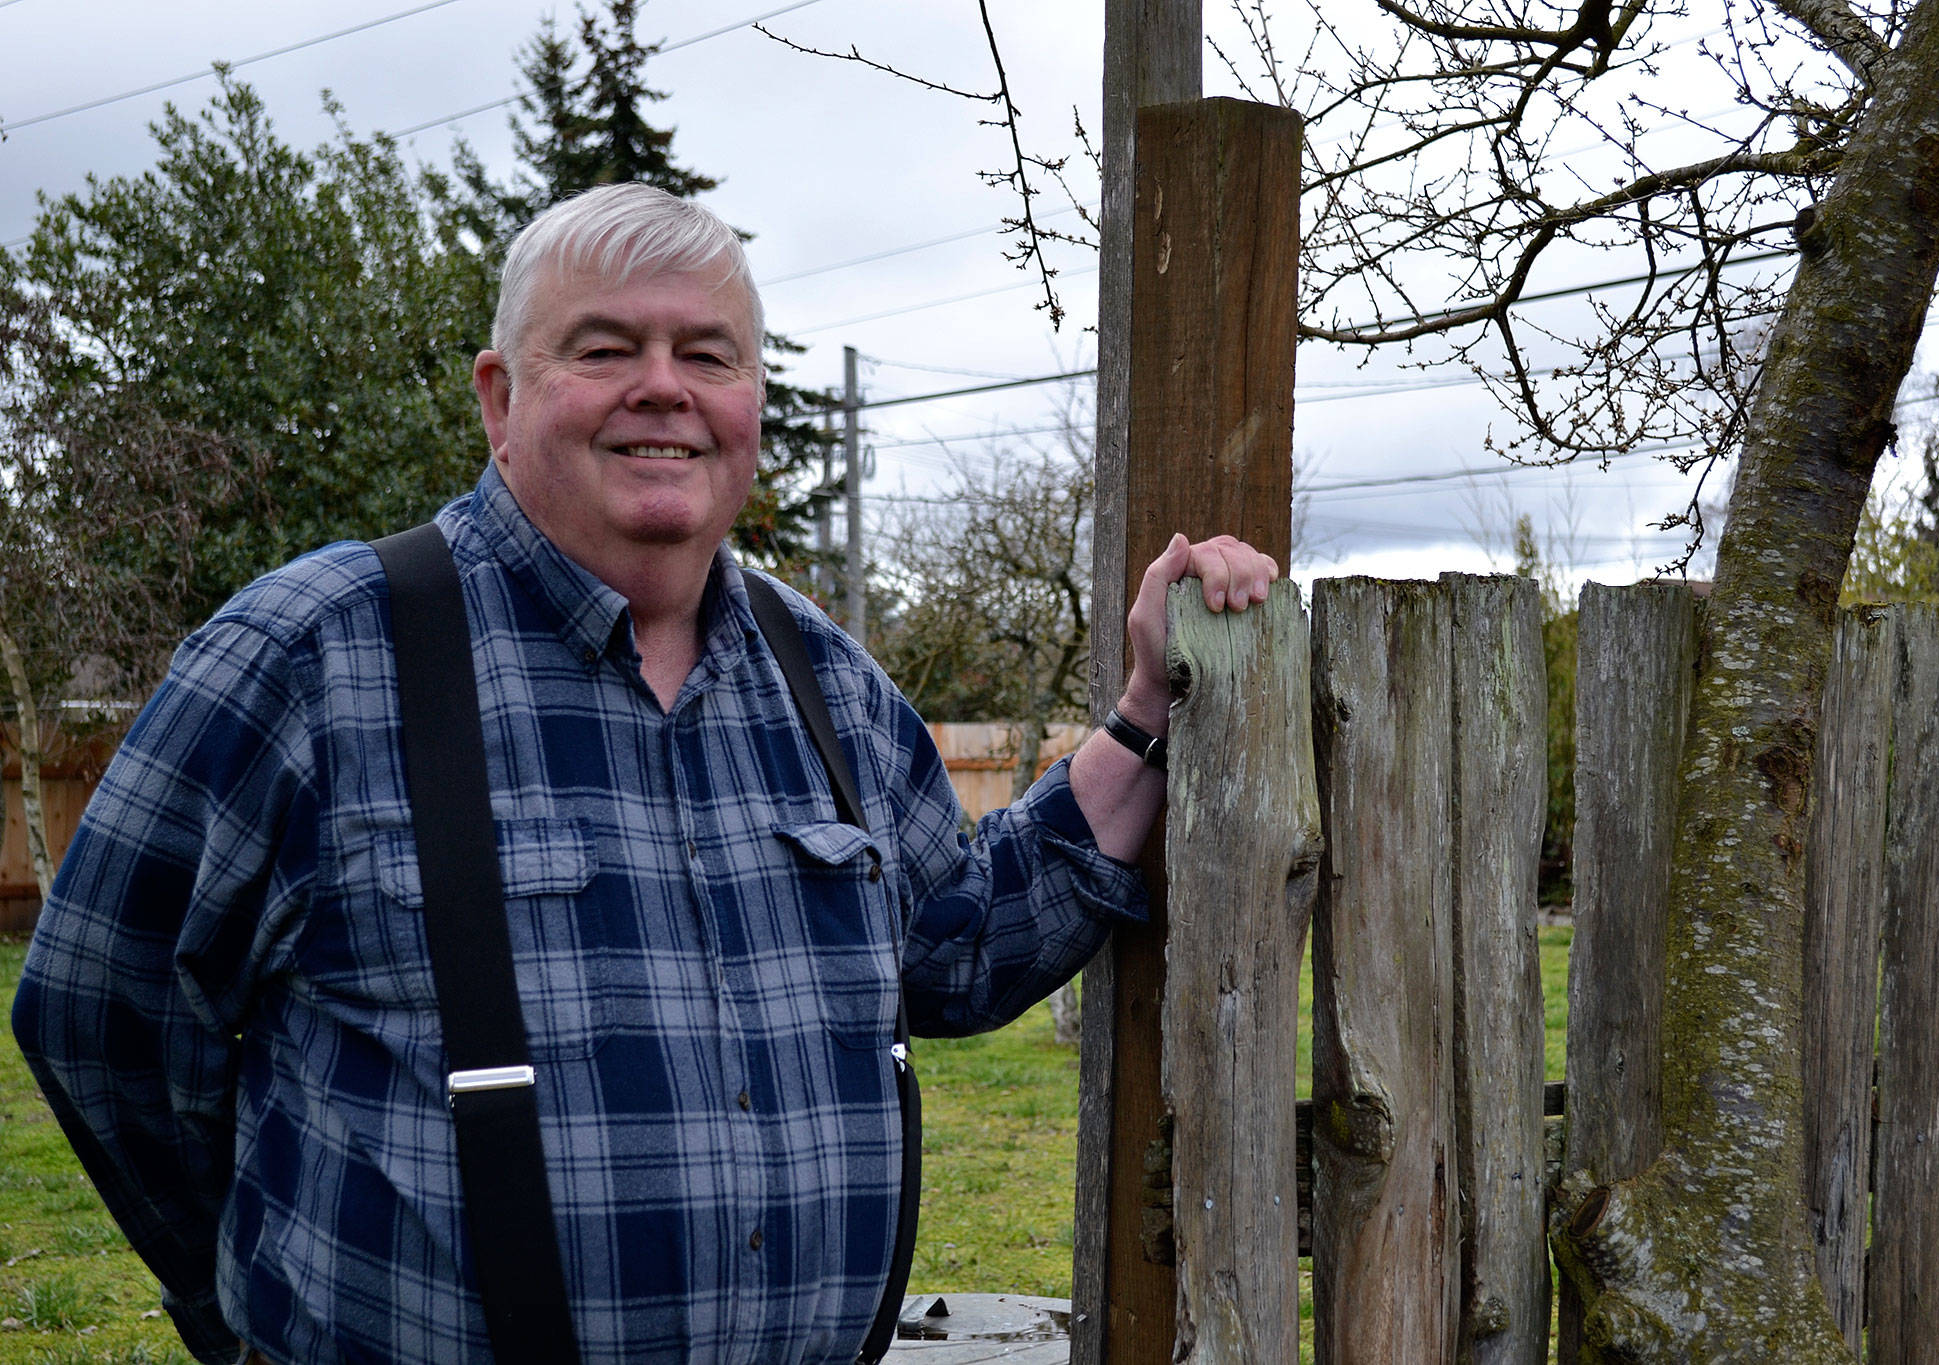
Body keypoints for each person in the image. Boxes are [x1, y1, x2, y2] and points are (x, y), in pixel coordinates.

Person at [11, 183, 1278, 1364]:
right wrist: (242, 1292)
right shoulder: (313, 653)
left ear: (752, 402)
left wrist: (1144, 710)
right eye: (605, 349)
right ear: (501, 400)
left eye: (706, 355)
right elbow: (97, 1015)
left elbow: (956, 946)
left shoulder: (821, 677)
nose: (662, 390)